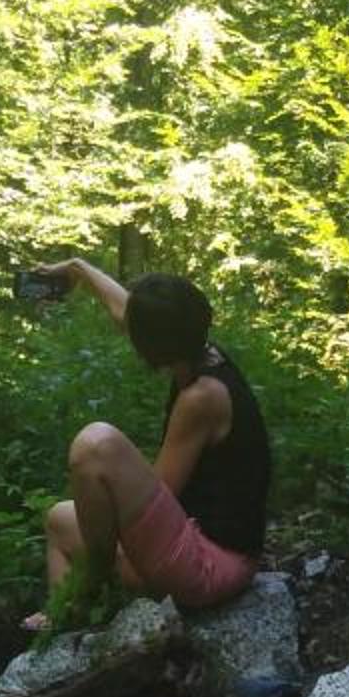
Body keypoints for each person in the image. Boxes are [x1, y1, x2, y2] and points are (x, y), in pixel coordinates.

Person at [29, 261, 271, 627]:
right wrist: (77, 268)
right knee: (59, 520)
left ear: (151, 344)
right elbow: (127, 312)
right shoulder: (196, 348)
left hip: (215, 564)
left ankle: (92, 585)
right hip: (192, 543)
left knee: (96, 446)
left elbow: (159, 498)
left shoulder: (201, 398)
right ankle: (63, 620)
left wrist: (109, 505)